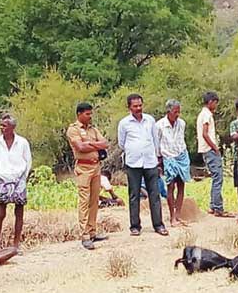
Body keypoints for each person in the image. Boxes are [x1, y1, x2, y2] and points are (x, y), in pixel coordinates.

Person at [117, 93, 168, 236]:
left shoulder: (150, 120)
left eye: (140, 105)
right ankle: (135, 226)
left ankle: (158, 225)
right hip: (133, 162)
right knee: (134, 194)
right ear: (129, 107)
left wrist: (158, 157)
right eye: (135, 106)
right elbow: (122, 143)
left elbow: (155, 139)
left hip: (150, 161)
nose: (138, 108)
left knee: (155, 193)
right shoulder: (124, 123)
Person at [66, 102, 110, 250]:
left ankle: (92, 231)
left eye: (91, 114)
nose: (90, 117)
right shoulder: (73, 129)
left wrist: (90, 143)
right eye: (87, 114)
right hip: (83, 167)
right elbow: (80, 147)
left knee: (94, 199)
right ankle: (84, 235)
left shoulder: (93, 129)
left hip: (96, 166)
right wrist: (94, 144)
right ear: (79, 114)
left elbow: (105, 144)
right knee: (84, 201)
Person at [0, 114, 31, 251]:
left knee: (19, 212)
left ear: (12, 127)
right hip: (3, 179)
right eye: (1, 125)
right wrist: (0, 178)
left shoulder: (22, 142)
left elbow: (28, 162)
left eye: (4, 125)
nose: (1, 128)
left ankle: (16, 244)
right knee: (0, 212)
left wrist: (22, 179)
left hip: (19, 179)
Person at [157, 99, 191, 227]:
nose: (177, 114)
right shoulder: (159, 125)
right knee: (170, 186)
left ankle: (178, 215)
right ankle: (172, 217)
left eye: (178, 112)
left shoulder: (181, 123)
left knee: (181, 185)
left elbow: (181, 139)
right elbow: (157, 144)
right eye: (175, 112)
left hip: (181, 154)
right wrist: (158, 160)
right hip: (168, 156)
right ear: (169, 111)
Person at [197, 91, 232, 217]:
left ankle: (213, 205)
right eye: (215, 103)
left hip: (205, 149)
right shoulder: (206, 115)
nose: (216, 106)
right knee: (218, 178)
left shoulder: (203, 114)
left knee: (215, 178)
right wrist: (215, 147)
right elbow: (205, 134)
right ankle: (218, 207)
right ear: (211, 102)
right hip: (209, 149)